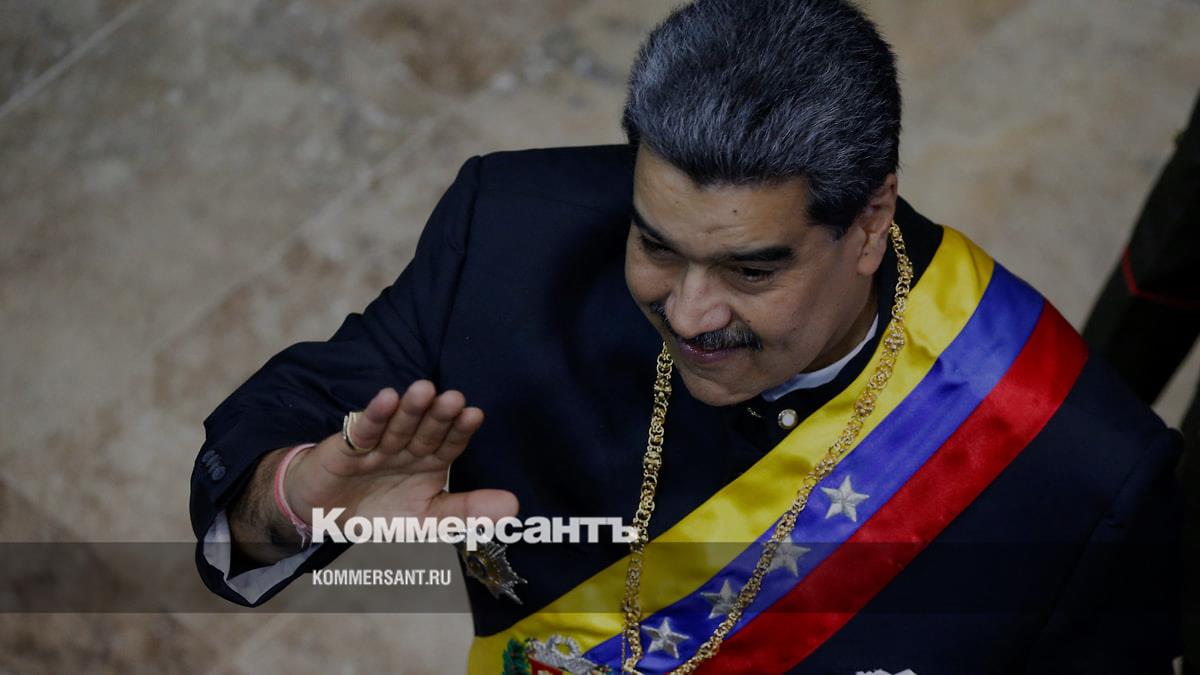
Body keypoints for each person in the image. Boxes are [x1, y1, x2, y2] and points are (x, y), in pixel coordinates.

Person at [190, 1, 1182, 672]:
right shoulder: (512, 233)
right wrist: (294, 500)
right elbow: (283, 429)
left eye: (753, 270)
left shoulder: (1080, 470)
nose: (690, 313)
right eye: (657, 245)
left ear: (868, 222)